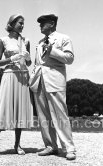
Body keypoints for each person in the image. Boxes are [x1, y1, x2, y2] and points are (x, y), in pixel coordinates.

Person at [0, 14, 33, 157]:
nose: (22, 26)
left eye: (23, 23)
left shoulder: (25, 41)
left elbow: (28, 63)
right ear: (12, 23)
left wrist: (28, 59)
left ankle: (17, 145)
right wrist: (11, 58)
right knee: (2, 109)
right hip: (9, 75)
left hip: (23, 76)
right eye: (19, 23)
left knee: (20, 111)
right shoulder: (3, 40)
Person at [29, 14, 76, 160]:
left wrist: (52, 51)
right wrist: (33, 77)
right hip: (39, 82)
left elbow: (70, 58)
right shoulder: (40, 42)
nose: (40, 26)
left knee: (60, 115)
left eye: (43, 23)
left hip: (55, 81)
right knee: (43, 116)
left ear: (51, 23)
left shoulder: (63, 38)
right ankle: (50, 146)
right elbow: (38, 63)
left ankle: (69, 148)